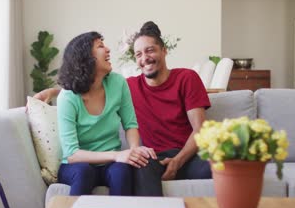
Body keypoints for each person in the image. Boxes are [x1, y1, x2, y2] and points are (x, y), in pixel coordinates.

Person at [34, 22, 211, 196]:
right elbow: (82, 90)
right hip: (152, 158)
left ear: (164, 50)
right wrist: (56, 92)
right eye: (138, 54)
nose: (144, 58)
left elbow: (199, 129)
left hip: (189, 156)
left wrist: (173, 161)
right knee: (136, 165)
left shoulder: (183, 78)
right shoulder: (128, 85)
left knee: (225, 167)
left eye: (150, 50)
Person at [55, 31, 155, 196]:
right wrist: (116, 155)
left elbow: (130, 124)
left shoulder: (118, 83)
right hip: (76, 165)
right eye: (100, 46)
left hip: (110, 163)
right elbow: (72, 154)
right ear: (85, 57)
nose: (108, 49)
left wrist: (134, 151)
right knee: (84, 172)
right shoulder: (68, 97)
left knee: (121, 172)